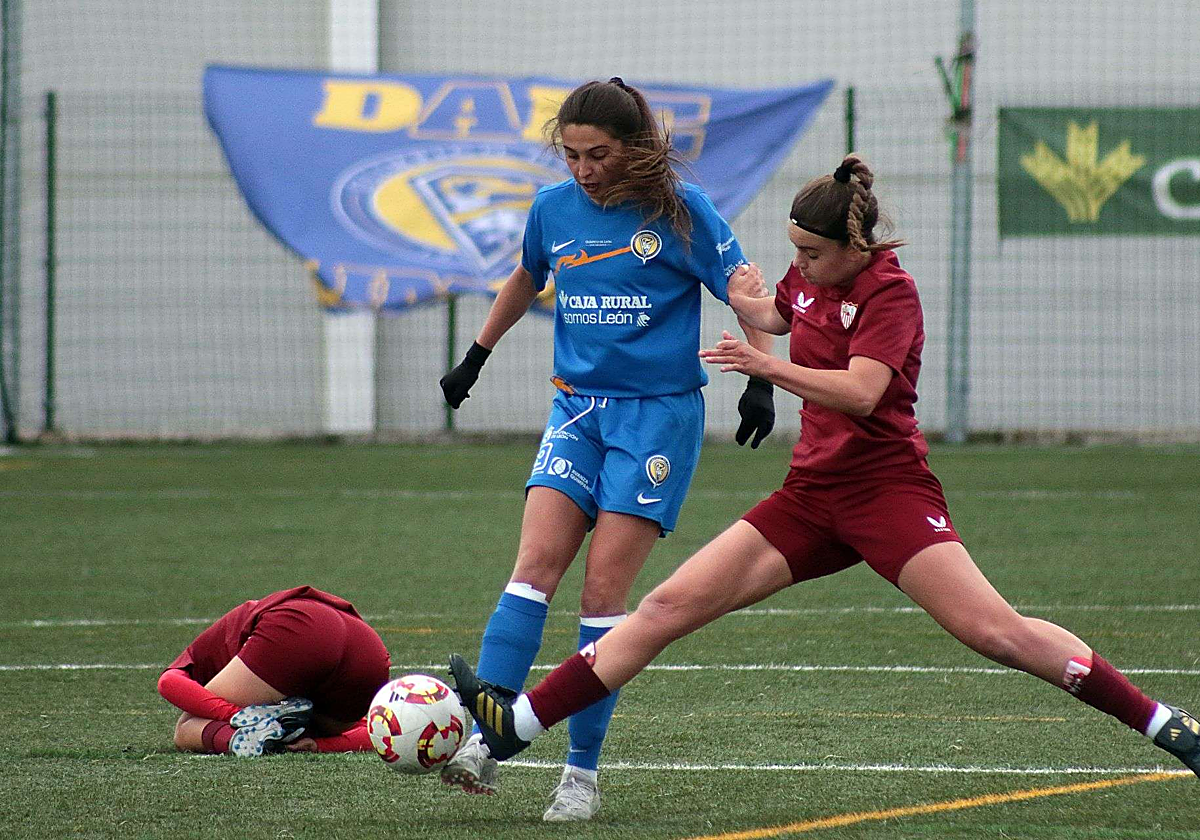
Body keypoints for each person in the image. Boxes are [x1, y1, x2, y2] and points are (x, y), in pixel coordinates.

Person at [447, 154, 1200, 797]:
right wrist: (739, 295)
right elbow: (775, 309)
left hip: (886, 495)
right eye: (793, 252)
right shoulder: (808, 278)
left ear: (855, 244)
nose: (799, 266)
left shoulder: (889, 294)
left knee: (995, 632)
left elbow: (863, 390)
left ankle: (1166, 724)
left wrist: (766, 368)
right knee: (666, 606)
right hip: (809, 499)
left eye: (811, 255)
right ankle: (514, 727)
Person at [437, 77, 775, 819]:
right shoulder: (553, 208)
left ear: (636, 150)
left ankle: (580, 775)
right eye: (572, 156)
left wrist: (763, 376)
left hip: (656, 420)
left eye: (599, 155)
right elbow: (528, 274)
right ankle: (486, 746)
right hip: (575, 411)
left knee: (602, 597)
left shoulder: (682, 214)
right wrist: (476, 355)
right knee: (532, 570)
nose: (584, 170)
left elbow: (742, 287)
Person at [157, 585, 391, 757]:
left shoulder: (217, 644)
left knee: (186, 727)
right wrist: (319, 745)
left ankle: (248, 731)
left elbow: (167, 682)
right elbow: (378, 733)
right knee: (364, 727)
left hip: (299, 626)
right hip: (369, 651)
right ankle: (278, 729)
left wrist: (235, 715)